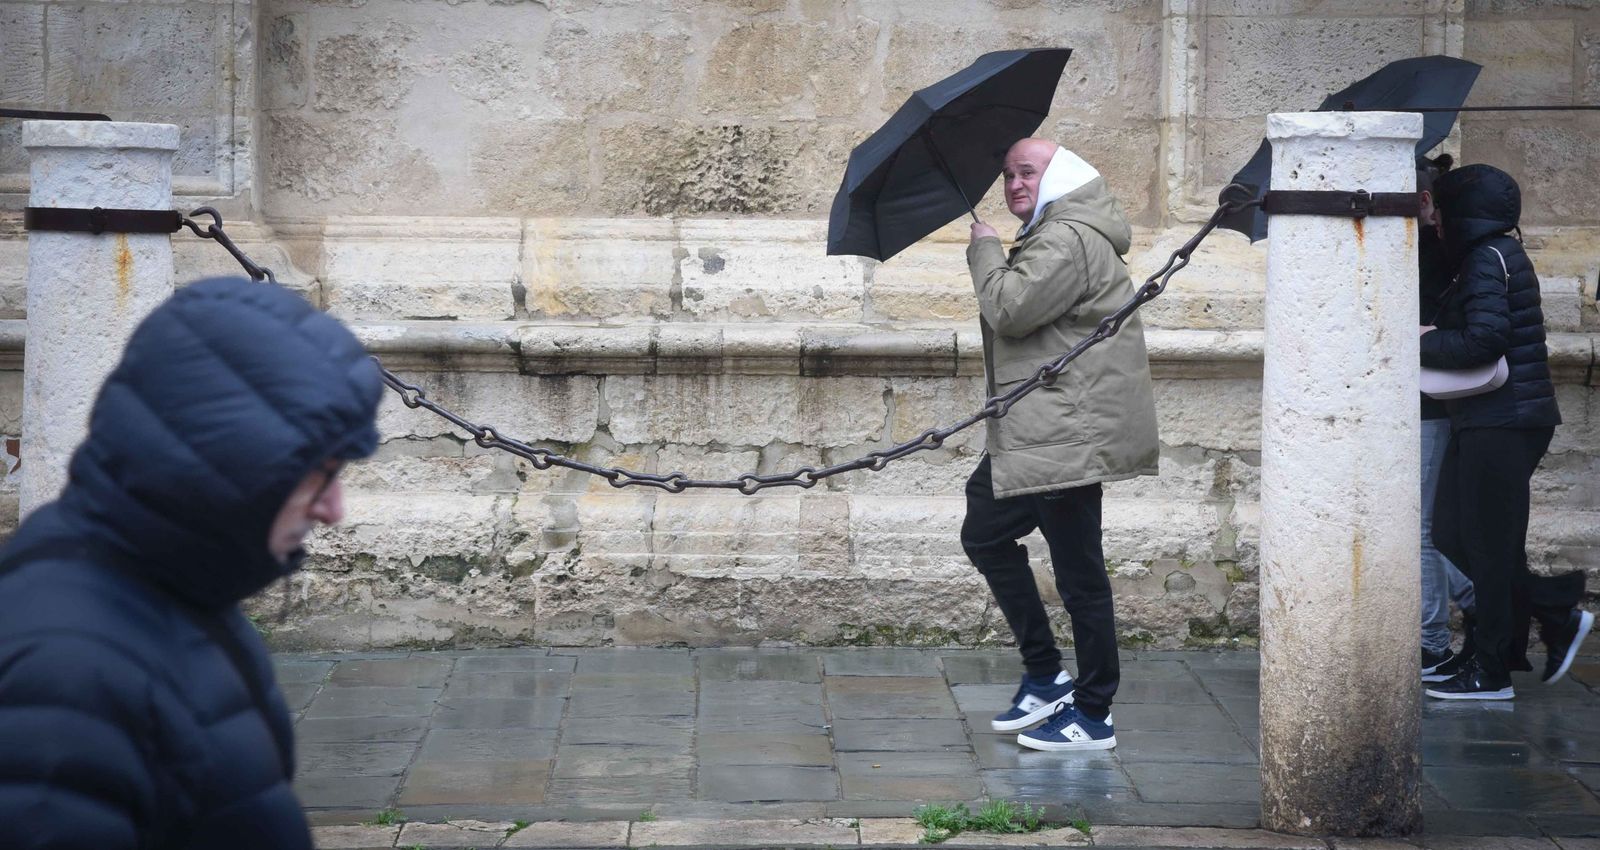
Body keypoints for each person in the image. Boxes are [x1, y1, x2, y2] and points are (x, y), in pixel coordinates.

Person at [0, 278, 383, 847]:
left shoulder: (175, 584)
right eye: (319, 476)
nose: (333, 510)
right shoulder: (68, 672)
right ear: (232, 465)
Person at [963, 138, 1158, 750]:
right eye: (1007, 174)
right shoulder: (1056, 233)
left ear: (1061, 177)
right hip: (1038, 431)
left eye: (1028, 172)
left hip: (1063, 434)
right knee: (986, 533)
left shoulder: (1067, 237)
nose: (1015, 183)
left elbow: (1010, 308)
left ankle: (1095, 710)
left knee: (1080, 576)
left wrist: (984, 248)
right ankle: (1046, 675)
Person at [1420, 164, 1592, 701]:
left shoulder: (1487, 258)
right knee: (1454, 533)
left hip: (1504, 420)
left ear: (1464, 213)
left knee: (1488, 550)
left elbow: (1484, 340)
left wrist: (1413, 341)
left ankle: (1494, 668)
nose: (1439, 220)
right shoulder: (1490, 254)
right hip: (1492, 419)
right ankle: (1539, 614)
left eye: (1443, 210)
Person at [1415, 153, 1478, 684]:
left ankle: (1432, 641)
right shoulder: (1441, 248)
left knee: (1423, 528)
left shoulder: (1429, 252)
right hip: (1426, 400)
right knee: (1432, 526)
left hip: (1427, 401)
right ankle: (1488, 613)